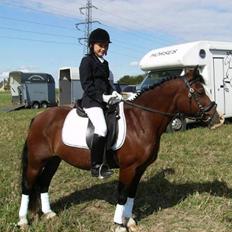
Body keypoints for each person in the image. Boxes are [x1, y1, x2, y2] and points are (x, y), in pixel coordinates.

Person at [79, 28, 123, 179]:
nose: (103, 49)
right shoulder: (86, 61)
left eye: (105, 46)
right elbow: (86, 85)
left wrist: (114, 92)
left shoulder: (105, 63)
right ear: (92, 45)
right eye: (100, 45)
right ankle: (96, 166)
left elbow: (106, 82)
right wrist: (102, 97)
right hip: (91, 101)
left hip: (105, 100)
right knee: (102, 128)